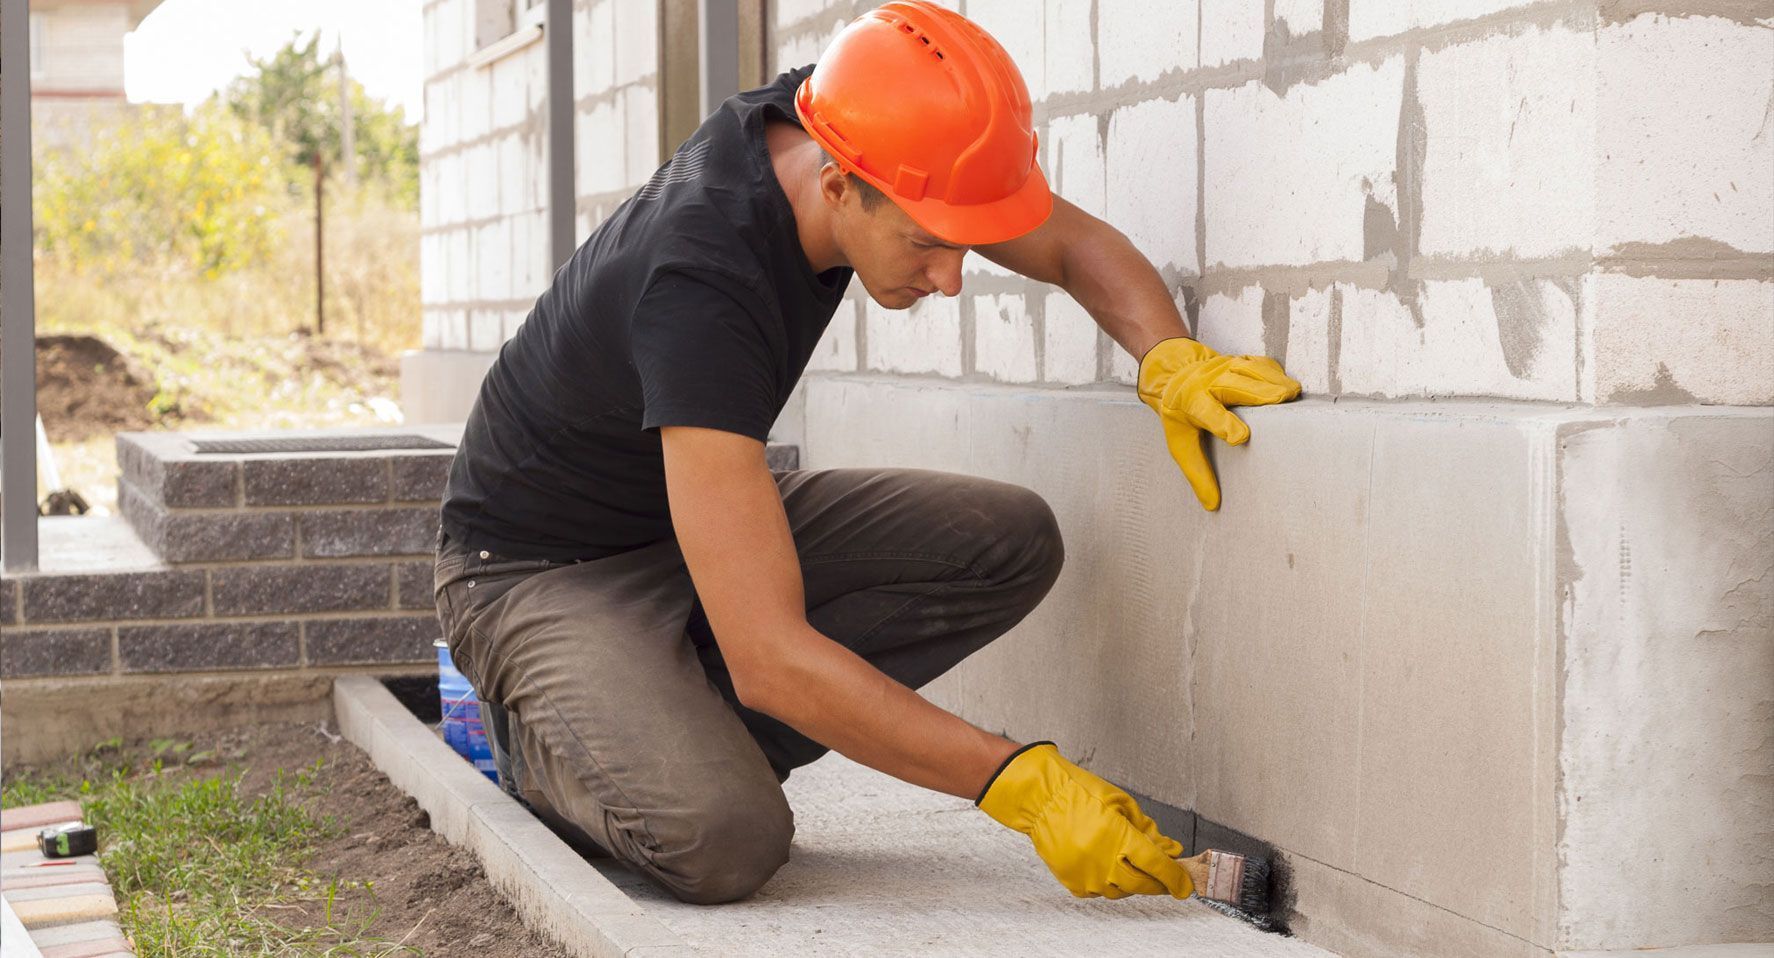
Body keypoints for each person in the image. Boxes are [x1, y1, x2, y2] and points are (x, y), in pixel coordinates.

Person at [432, 0, 1300, 907]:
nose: (952, 277)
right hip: (534, 573)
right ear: (838, 185)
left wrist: (1168, 358)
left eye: (962, 243)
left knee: (1004, 539)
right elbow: (769, 657)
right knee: (723, 838)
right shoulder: (700, 289)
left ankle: (676, 726)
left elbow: (1072, 243)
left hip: (678, 526)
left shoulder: (853, 127)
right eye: (928, 243)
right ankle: (548, 743)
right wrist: (1022, 785)